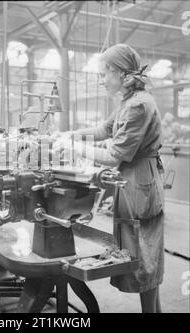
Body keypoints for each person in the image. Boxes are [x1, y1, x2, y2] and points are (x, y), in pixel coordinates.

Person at [61, 44, 164, 313]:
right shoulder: (129, 102)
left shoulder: (138, 106)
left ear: (121, 74)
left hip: (140, 184)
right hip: (132, 181)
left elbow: (113, 155)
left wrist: (72, 147)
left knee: (144, 253)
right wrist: (69, 134)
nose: (101, 80)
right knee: (143, 252)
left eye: (104, 74)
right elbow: (104, 129)